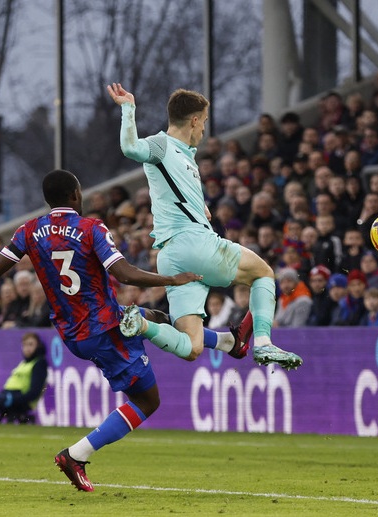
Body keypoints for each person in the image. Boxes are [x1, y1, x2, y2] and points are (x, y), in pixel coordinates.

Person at [0, 169, 215, 492]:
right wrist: (169, 279)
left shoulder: (28, 230)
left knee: (154, 317)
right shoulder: (90, 228)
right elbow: (123, 273)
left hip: (73, 332)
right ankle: (76, 454)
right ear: (75, 195)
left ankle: (228, 341)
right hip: (104, 329)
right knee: (148, 401)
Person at [107, 83, 302, 370]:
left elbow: (173, 194)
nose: (204, 130)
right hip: (194, 244)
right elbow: (130, 147)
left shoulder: (186, 157)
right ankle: (263, 343)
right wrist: (128, 108)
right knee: (263, 274)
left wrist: (201, 208)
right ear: (195, 119)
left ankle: (142, 325)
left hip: (171, 257)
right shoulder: (162, 145)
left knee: (191, 346)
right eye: (205, 122)